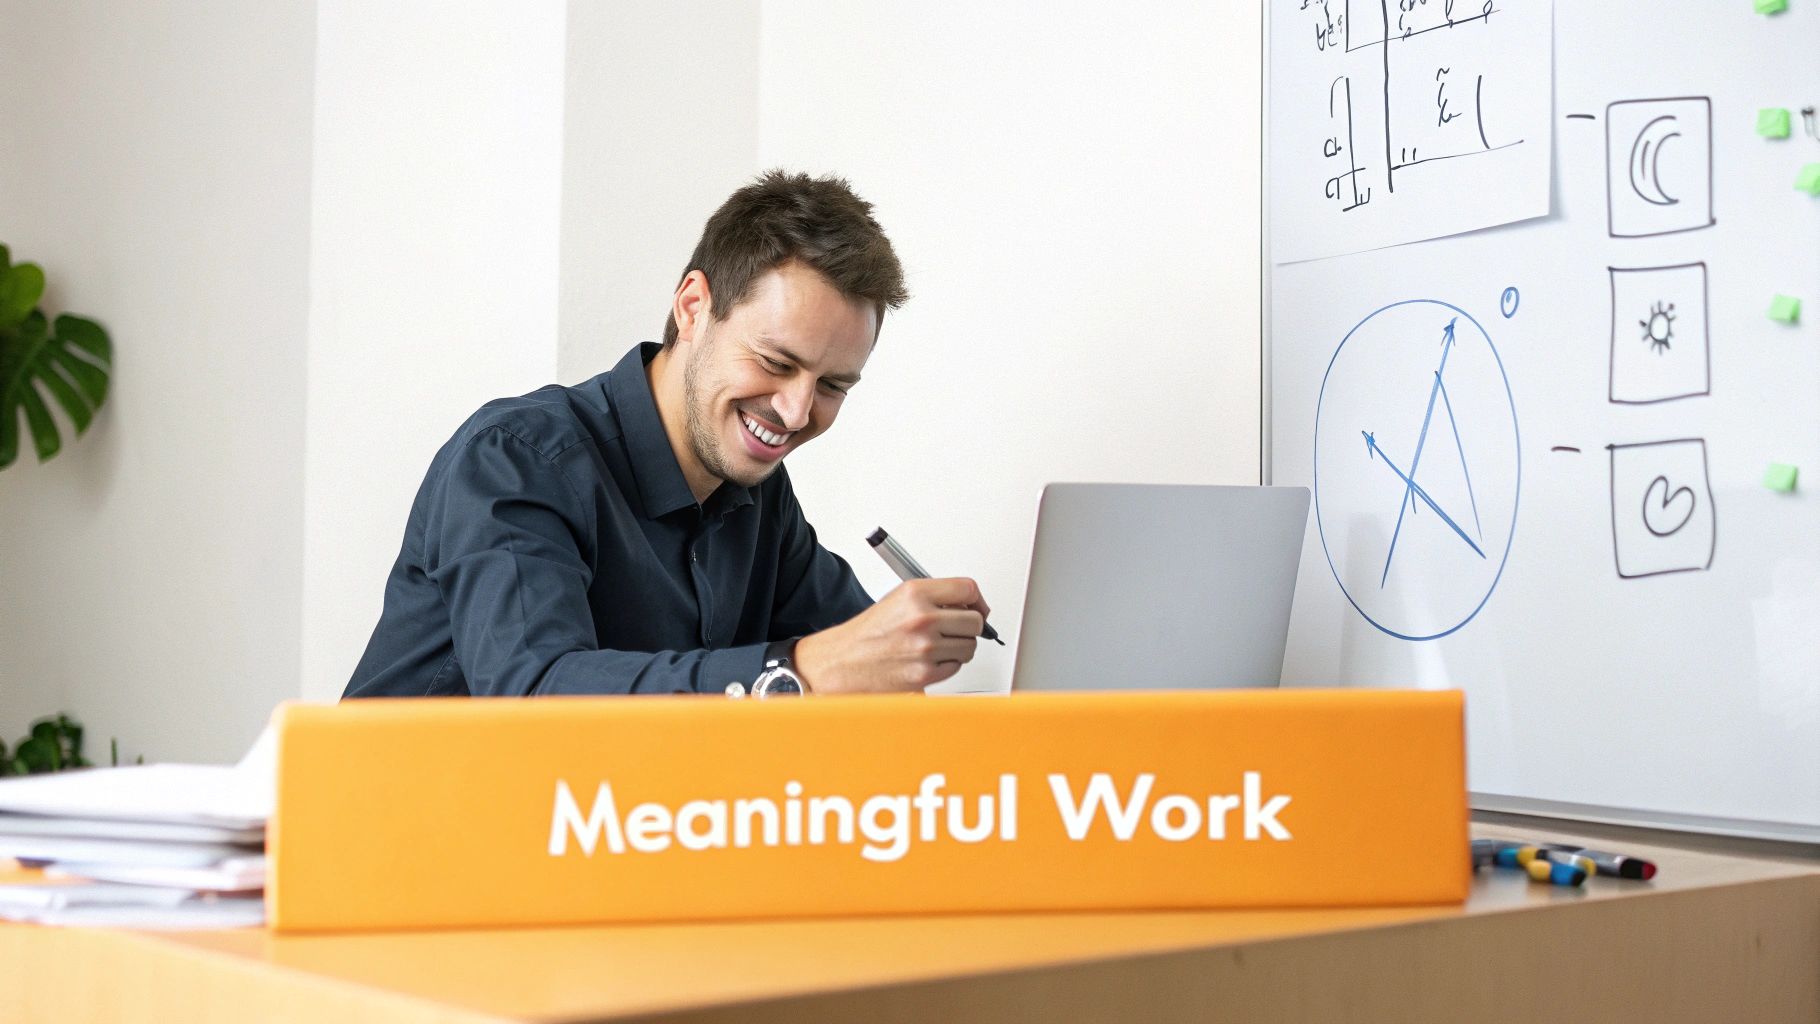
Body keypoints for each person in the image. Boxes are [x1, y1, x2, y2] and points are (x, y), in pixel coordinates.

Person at [343, 171, 991, 698]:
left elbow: (859, 655)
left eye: (832, 386)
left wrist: (914, 645)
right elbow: (536, 693)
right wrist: (802, 672)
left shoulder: (757, 495)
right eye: (775, 363)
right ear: (692, 308)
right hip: (410, 840)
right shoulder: (517, 457)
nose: (796, 412)